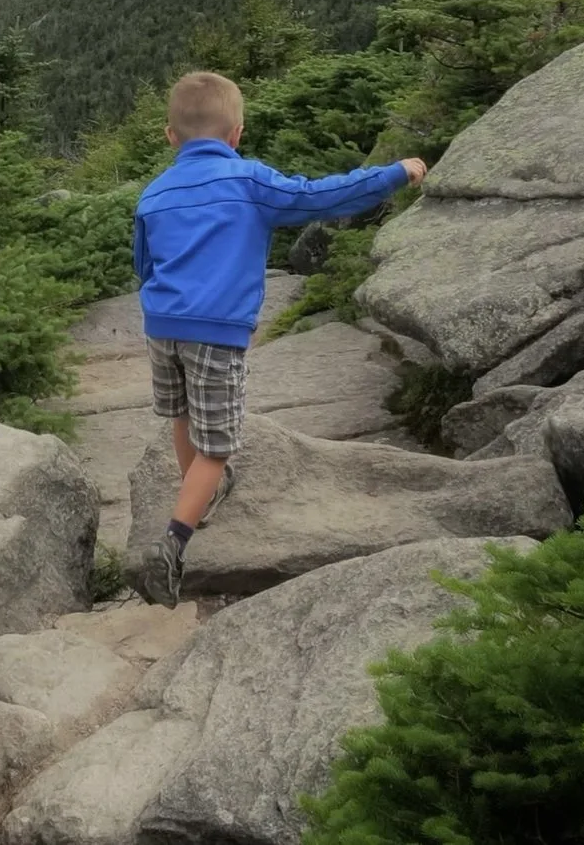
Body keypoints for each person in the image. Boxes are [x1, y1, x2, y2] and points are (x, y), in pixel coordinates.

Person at [130, 69, 425, 608]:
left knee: (182, 415)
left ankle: (199, 492)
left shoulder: (154, 193)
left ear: (171, 136)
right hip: (216, 330)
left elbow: (143, 264)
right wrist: (393, 174)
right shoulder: (249, 181)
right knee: (218, 446)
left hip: (161, 325)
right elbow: (322, 197)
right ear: (237, 133)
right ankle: (173, 541)